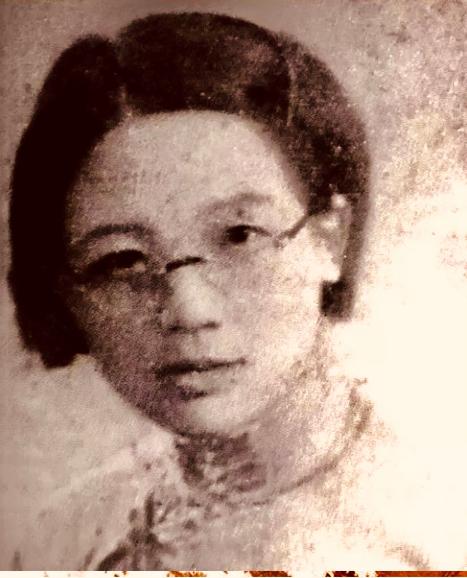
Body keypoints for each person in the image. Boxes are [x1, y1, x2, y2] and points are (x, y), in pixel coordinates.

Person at [8, 11, 424, 571]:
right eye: (122, 260)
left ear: (330, 239)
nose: (189, 310)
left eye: (239, 236)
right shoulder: (59, 545)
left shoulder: (430, 524)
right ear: (67, 293)